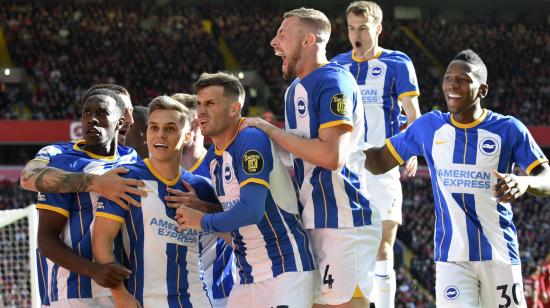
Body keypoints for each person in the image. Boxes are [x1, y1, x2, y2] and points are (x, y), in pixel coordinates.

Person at [364, 49, 550, 307]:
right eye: (448, 77)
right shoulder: (429, 127)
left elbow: (546, 176)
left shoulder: (508, 129)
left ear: (482, 90)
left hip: (499, 256)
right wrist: (344, 138)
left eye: (462, 79)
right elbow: (377, 162)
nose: (452, 84)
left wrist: (525, 182)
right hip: (452, 259)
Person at [244, 8, 381, 307]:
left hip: (344, 221)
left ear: (308, 40)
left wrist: (270, 130)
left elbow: (333, 155)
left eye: (282, 35)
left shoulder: (334, 82)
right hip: (312, 219)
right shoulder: (294, 90)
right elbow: (299, 151)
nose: (273, 42)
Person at [174, 72, 315, 308]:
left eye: (210, 103)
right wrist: (205, 208)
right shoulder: (214, 157)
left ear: (234, 109)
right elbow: (231, 210)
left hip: (284, 270)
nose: (201, 112)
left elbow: (251, 211)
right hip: (247, 276)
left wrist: (201, 219)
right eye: (199, 104)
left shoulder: (249, 139)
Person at [331, 2, 421, 306]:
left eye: (363, 28)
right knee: (349, 246)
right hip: (346, 167)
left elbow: (413, 113)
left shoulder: (398, 63)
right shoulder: (337, 65)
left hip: (383, 163)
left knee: (384, 247)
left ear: (378, 29)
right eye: (351, 28)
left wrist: (413, 149)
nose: (356, 34)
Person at [92, 96, 220, 307]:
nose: (160, 134)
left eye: (170, 128)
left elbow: (236, 232)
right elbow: (101, 241)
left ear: (186, 136)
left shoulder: (201, 187)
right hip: (143, 300)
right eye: (154, 127)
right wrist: (119, 294)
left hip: (196, 299)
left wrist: (207, 209)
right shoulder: (125, 179)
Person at [33, 88, 139, 307]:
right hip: (77, 291)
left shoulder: (132, 158)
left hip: (127, 285)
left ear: (120, 122)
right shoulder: (63, 163)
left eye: (101, 112)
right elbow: (46, 239)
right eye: (86, 113)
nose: (92, 119)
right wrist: (95, 271)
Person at [20, 85, 146, 211]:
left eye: (131, 111)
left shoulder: (132, 155)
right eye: (123, 110)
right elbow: (28, 177)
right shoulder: (56, 152)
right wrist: (96, 182)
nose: (130, 119)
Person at [171, 92, 236, 308]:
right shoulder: (159, 172)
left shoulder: (223, 165)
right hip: (175, 292)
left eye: (175, 123)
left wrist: (204, 209)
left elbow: (245, 226)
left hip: (220, 292)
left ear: (196, 125)